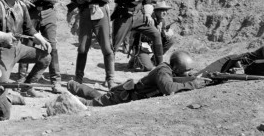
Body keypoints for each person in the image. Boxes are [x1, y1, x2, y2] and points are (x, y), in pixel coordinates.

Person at [67, 51, 210, 107]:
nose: (189, 73)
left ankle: (73, 85)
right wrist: (193, 84)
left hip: (127, 94)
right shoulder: (164, 72)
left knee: (101, 97)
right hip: (125, 97)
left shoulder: (170, 70)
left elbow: (178, 80)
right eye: (187, 71)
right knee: (91, 104)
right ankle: (69, 95)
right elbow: (168, 89)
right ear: (177, 69)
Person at [18, 0, 66, 93]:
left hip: (49, 12)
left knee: (52, 46)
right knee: (27, 46)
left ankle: (55, 81)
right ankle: (22, 80)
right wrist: (24, 1)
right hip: (30, 15)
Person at [69, 0, 116, 87]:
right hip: (84, 13)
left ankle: (110, 79)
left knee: (107, 47)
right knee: (82, 47)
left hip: (100, 11)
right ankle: (78, 78)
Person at [111, 0, 163, 75]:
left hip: (139, 15)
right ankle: (110, 77)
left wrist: (148, 14)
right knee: (114, 47)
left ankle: (160, 67)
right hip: (124, 16)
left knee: (155, 34)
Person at [128, 1, 176, 71]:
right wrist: (156, 32)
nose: (165, 13)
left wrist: (164, 33)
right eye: (162, 10)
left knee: (171, 40)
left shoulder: (162, 21)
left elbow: (161, 38)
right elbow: (142, 36)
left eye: (166, 11)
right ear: (156, 11)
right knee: (148, 67)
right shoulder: (148, 19)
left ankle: (154, 60)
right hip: (141, 46)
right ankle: (135, 58)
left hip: (152, 44)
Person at [198, 46, 264, 77]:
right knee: (202, 75)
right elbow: (238, 59)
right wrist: (240, 68)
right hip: (230, 62)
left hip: (240, 69)